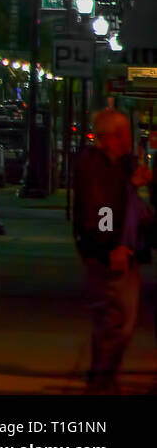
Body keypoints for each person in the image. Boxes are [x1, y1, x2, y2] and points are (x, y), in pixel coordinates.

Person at [73, 108, 151, 393]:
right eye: (121, 135)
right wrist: (111, 248)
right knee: (113, 319)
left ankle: (104, 378)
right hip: (107, 254)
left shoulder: (123, 164)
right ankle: (101, 381)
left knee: (120, 322)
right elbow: (100, 212)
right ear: (108, 138)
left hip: (127, 251)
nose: (127, 141)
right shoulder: (93, 166)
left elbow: (134, 207)